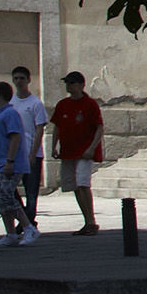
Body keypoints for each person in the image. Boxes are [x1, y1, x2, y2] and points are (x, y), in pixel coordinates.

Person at [49, 71, 104, 236]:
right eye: (67, 83)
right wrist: (53, 146)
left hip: (84, 152)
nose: (69, 86)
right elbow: (57, 127)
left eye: (72, 83)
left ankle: (91, 221)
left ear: (81, 85)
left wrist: (92, 148)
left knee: (83, 184)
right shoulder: (62, 105)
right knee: (74, 186)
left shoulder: (90, 104)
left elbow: (99, 127)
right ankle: (87, 220)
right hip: (68, 151)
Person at [0, 80, 34, 247]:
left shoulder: (10, 114)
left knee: (6, 198)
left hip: (8, 164)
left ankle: (28, 228)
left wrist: (9, 161)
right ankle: (11, 234)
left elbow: (15, 137)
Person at [8, 67, 46, 228]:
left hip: (32, 153)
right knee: (9, 189)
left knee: (31, 192)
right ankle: (27, 221)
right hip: (15, 154)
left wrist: (32, 153)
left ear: (28, 80)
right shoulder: (10, 103)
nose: (19, 81)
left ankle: (27, 223)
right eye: (16, 78)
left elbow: (39, 129)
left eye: (22, 78)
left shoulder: (35, 103)